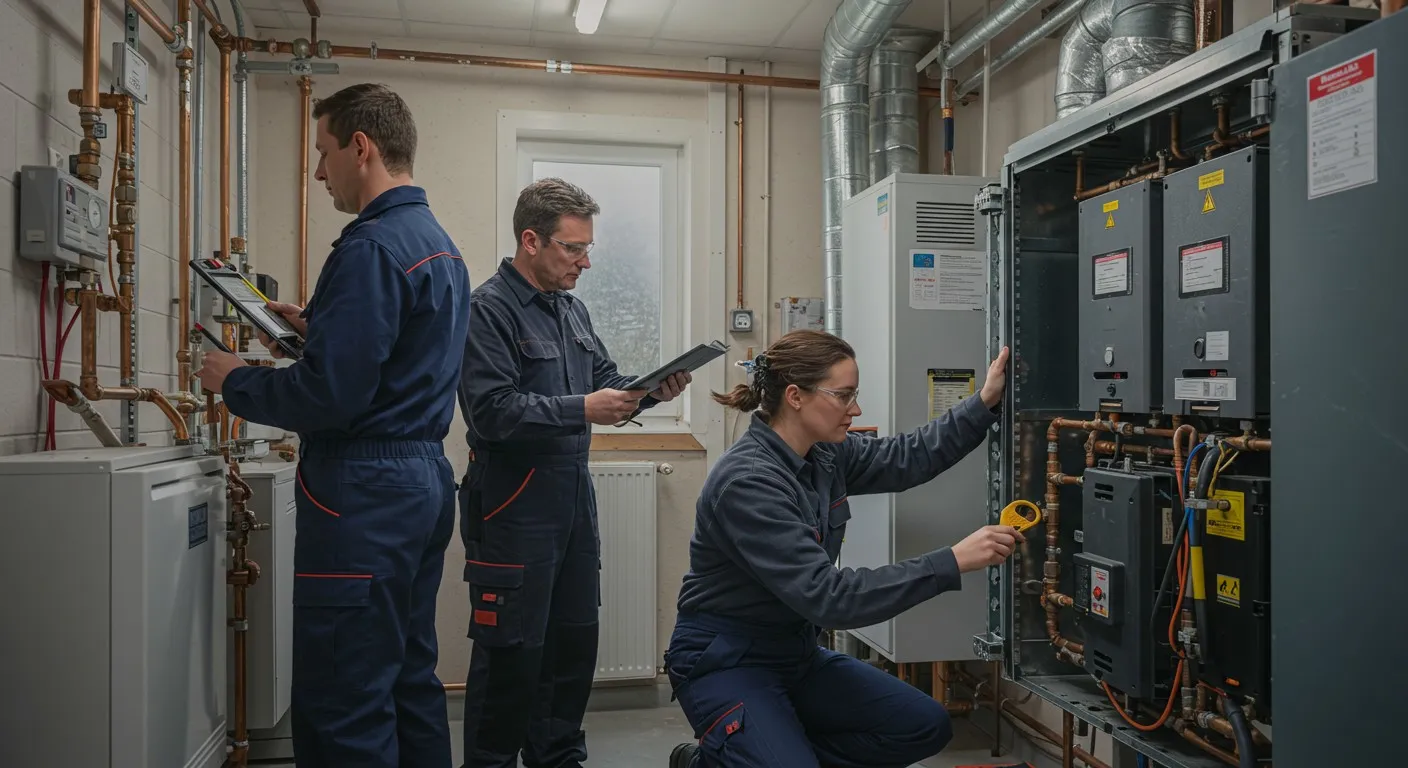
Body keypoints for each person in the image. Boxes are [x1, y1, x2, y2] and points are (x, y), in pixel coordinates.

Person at [195, 83, 469, 768]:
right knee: (408, 677)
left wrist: (235, 380)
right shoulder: (439, 246)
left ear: (361, 147)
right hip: (421, 481)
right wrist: (321, 329)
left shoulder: (370, 247)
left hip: (363, 490)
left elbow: (331, 398)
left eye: (323, 153)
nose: (319, 173)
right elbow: (396, 358)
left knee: (345, 694)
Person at [664, 330, 1023, 768]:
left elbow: (907, 457)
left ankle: (755, 756)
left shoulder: (823, 454)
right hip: (727, 660)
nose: (856, 409)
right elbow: (829, 598)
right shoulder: (749, 483)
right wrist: (952, 560)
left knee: (924, 724)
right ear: (795, 396)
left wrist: (983, 402)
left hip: (794, 654)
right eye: (844, 395)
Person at [456, 177, 691, 768]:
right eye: (572, 249)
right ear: (530, 240)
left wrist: (651, 391)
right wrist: (582, 409)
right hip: (511, 499)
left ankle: (558, 757)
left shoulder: (573, 309)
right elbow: (490, 411)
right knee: (510, 650)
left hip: (569, 498)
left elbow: (606, 380)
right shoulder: (487, 309)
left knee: (572, 641)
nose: (584, 262)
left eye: (588, 249)